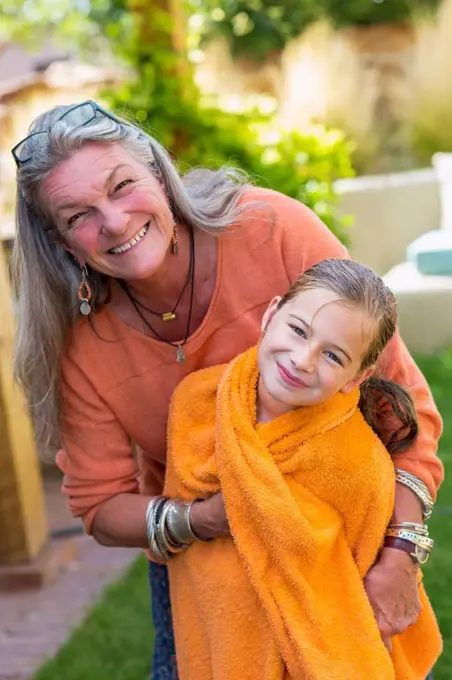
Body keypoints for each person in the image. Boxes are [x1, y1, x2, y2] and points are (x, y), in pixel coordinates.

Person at [11, 100, 442, 679]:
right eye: (78, 216)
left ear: (161, 176)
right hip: (204, 573)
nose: (112, 222)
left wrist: (399, 555)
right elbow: (99, 504)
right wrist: (204, 519)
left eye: (122, 186)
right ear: (65, 244)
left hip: (338, 546)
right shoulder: (79, 343)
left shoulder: (273, 231)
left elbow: (403, 407)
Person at [163, 258, 441, 679]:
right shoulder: (197, 403)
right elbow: (178, 540)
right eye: (297, 330)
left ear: (356, 377)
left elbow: (359, 609)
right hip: (214, 636)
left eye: (333, 355)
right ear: (271, 314)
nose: (303, 359)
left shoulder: (358, 468)